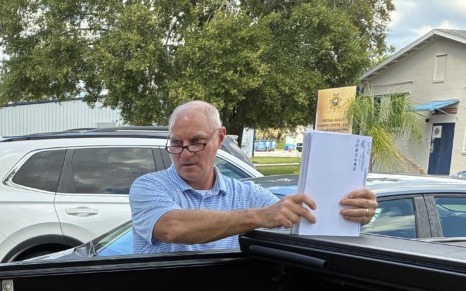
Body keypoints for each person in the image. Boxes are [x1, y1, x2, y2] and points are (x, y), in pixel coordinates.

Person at [130, 101, 378, 253]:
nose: (185, 153)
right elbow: (172, 228)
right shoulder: (148, 187)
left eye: (196, 141)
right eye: (176, 143)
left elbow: (303, 221)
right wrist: (260, 216)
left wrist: (350, 212)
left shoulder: (247, 194)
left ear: (219, 138)